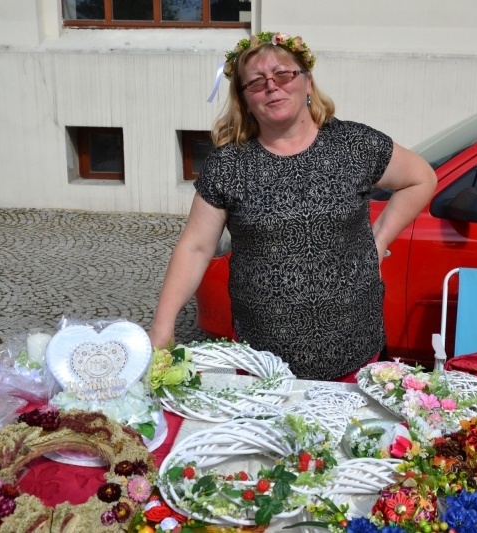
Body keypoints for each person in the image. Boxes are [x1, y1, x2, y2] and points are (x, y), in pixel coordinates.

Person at [149, 31, 436, 381]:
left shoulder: (354, 145)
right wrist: (162, 328)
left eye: (283, 75)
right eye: (256, 83)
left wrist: (378, 241)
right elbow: (195, 247)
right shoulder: (229, 165)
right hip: (263, 363)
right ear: (245, 100)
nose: (272, 87)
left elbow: (421, 178)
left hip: (354, 349)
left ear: (308, 83)